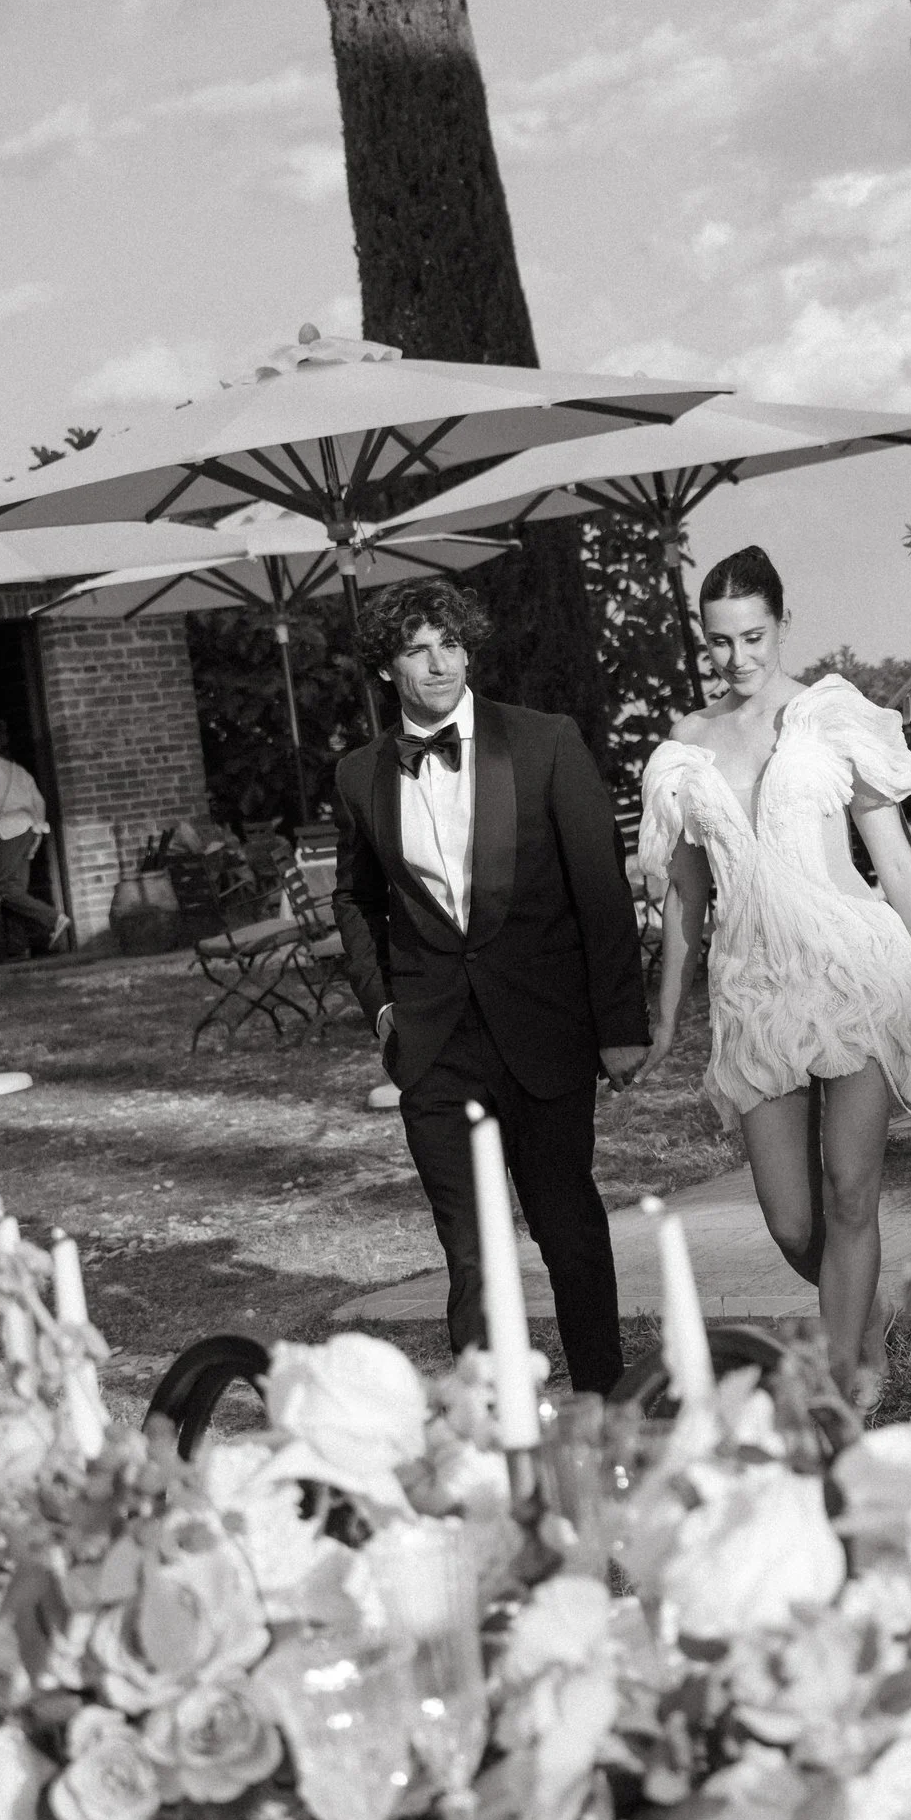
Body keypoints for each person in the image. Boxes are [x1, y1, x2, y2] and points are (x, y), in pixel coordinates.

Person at [631, 548, 911, 1382]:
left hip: (857, 970)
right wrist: (666, 1015)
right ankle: (867, 1321)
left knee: (849, 1187)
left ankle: (846, 1385)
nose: (738, 658)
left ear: (784, 627)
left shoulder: (833, 716)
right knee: (792, 1221)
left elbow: (894, 864)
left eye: (755, 637)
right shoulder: (685, 747)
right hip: (754, 989)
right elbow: (685, 899)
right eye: (720, 642)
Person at [331, 579, 646, 1394]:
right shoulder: (360, 775)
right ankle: (492, 1427)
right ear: (388, 669)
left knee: (565, 1224)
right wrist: (383, 1008)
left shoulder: (543, 742)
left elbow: (601, 888)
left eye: (450, 645)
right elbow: (356, 898)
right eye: (416, 650)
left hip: (545, 1028)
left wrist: (620, 1024)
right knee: (469, 1247)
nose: (437, 664)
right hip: (434, 1041)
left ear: (469, 649)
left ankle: (605, 1402)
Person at [0, 719, 67, 954]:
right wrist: (38, 832)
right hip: (29, 829)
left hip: (9, 830)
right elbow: (39, 801)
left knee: (4, 888)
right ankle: (21, 947)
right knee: (16, 892)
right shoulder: (19, 771)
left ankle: (53, 918)